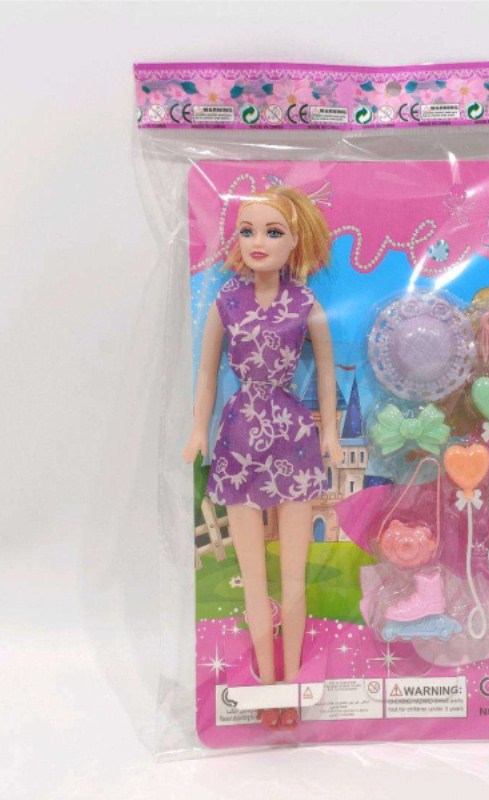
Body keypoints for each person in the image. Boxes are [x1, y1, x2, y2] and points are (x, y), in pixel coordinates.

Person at [183, 186, 343, 728]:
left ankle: (291, 683)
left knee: (293, 576)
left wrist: (330, 434)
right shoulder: (226, 302)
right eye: (247, 230)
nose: (258, 241)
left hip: (293, 437)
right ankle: (265, 685)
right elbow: (207, 373)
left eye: (273, 232)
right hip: (238, 438)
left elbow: (326, 373)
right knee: (254, 577)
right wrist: (198, 430)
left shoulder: (306, 305)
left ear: (295, 241)